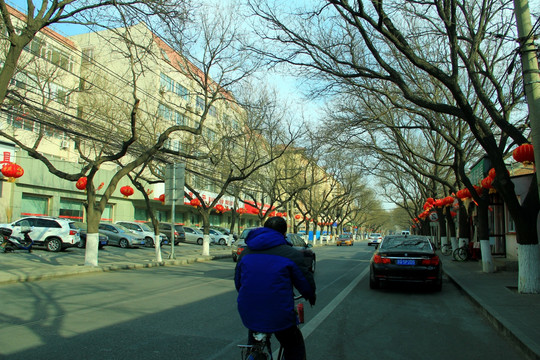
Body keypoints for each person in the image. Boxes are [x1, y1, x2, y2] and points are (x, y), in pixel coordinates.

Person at [235, 216, 316, 360]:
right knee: (294, 344)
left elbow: (238, 282)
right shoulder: (290, 254)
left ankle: (252, 352)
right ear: (284, 233)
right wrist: (310, 295)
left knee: (254, 336)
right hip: (279, 313)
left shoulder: (246, 252)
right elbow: (305, 282)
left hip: (249, 310)